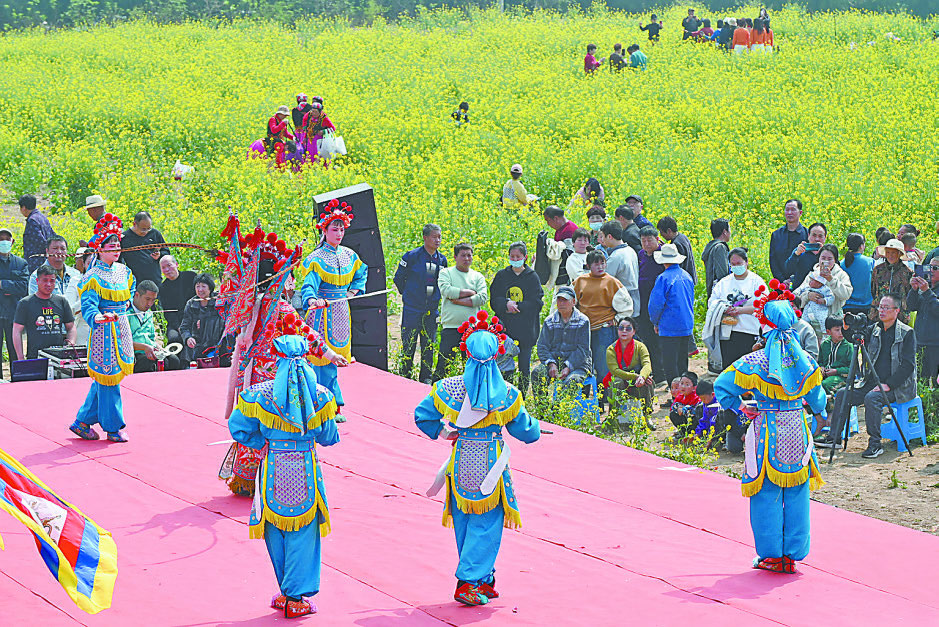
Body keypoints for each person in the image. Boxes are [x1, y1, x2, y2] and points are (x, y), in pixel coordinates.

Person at [415, 313, 540, 606]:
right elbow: (525, 430)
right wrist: (536, 429)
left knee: (465, 521)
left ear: (466, 352)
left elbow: (423, 416)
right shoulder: (507, 394)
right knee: (486, 524)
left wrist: (445, 433)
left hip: (460, 464)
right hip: (490, 466)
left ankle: (482, 578)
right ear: (497, 354)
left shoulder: (450, 388)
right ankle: (470, 581)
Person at [216, 214, 343, 497]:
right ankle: (273, 475)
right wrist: (329, 353)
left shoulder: (247, 305)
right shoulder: (281, 310)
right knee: (277, 423)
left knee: (250, 420)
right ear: (279, 278)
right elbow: (306, 333)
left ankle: (246, 478)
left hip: (249, 375)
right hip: (276, 377)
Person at [714, 283, 826, 574]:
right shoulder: (808, 362)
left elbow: (722, 385)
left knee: (766, 493)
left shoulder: (754, 361)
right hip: (798, 431)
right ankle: (792, 554)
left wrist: (740, 406)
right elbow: (819, 399)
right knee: (797, 492)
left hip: (766, 430)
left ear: (764, 326)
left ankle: (771, 555)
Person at [228, 330, 339, 619]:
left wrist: (262, 441)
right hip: (304, 467)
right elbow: (330, 436)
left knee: (275, 527)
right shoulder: (321, 396)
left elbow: (237, 427)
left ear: (278, 360)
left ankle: (286, 591)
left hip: (273, 466)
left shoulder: (260, 394)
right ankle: (294, 596)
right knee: (304, 530)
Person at [823, 294, 917, 459]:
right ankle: (834, 438)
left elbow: (908, 365)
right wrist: (846, 328)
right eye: (880, 307)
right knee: (843, 394)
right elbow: (853, 339)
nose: (881, 311)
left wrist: (890, 384)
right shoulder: (875, 328)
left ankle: (875, 444)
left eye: (886, 308)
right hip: (871, 382)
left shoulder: (907, 333)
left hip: (898, 386)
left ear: (897, 311)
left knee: (872, 398)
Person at [69, 214, 134, 443]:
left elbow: (130, 293)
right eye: (110, 245)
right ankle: (113, 427)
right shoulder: (92, 276)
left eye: (118, 245)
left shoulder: (124, 272)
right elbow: (88, 304)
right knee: (109, 378)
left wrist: (126, 304)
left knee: (107, 380)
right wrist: (97, 316)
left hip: (122, 327)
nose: (116, 249)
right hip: (104, 332)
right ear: (99, 249)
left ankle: (82, 421)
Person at [301, 199, 368, 419]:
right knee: (320, 357)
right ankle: (322, 403)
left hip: (341, 310)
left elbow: (361, 272)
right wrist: (312, 299)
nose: (338, 234)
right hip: (321, 311)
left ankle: (332, 403)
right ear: (325, 230)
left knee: (336, 356)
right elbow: (309, 283)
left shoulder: (349, 254)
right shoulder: (316, 258)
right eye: (334, 229)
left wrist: (352, 292)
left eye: (341, 229)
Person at [394, 224, 447, 384]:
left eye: (439, 237)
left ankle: (425, 379)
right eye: (434, 237)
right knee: (409, 345)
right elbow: (398, 279)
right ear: (425, 238)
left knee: (428, 347)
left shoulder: (442, 260)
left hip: (431, 312)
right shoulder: (411, 257)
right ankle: (405, 376)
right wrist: (410, 296)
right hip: (412, 310)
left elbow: (443, 283)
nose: (437, 240)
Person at [573, 250, 633, 389]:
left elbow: (627, 306)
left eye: (602, 263)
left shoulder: (612, 282)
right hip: (583, 330)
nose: (600, 266)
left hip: (604, 330)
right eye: (596, 264)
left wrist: (617, 319)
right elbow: (569, 301)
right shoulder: (580, 281)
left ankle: (604, 396)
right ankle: (585, 395)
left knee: (603, 365)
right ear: (588, 265)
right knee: (583, 364)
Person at [489, 242, 543, 393]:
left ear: (525, 257)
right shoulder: (502, 276)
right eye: (512, 256)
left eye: (518, 256)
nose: (515, 259)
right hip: (505, 329)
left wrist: (518, 306)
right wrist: (506, 305)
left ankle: (522, 396)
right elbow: (494, 299)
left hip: (526, 329)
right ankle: (505, 393)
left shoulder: (532, 277)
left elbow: (537, 303)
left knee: (524, 367)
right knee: (505, 366)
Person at [433, 242, 487, 382]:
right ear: (455, 257)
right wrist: (470, 292)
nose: (467, 258)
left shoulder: (477, 276)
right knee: (443, 364)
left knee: (470, 366)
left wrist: (458, 300)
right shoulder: (446, 273)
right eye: (463, 255)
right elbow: (446, 290)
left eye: (469, 255)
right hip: (451, 327)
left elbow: (482, 298)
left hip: (472, 330)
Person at [706, 248, 766, 371]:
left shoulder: (756, 281)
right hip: (728, 332)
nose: (736, 266)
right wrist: (724, 308)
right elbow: (712, 302)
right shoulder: (723, 282)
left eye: (739, 263)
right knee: (729, 369)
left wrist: (740, 311)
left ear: (746, 262)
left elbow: (763, 305)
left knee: (747, 369)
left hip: (749, 331)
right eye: (733, 264)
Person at [648, 243, 694, 387]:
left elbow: (655, 305)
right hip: (686, 324)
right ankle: (685, 392)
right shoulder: (687, 276)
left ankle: (676, 395)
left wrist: (655, 322)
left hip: (669, 325)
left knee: (669, 362)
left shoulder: (663, 278)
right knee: (682, 361)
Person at [532, 286, 592, 394]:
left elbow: (583, 350)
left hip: (578, 364)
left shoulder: (583, 321)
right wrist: (551, 364)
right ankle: (542, 408)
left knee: (572, 381)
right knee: (537, 373)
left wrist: (568, 366)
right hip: (555, 361)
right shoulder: (549, 321)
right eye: (559, 300)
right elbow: (542, 346)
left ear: (573, 302)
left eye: (565, 300)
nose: (561, 303)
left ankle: (559, 409)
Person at [12, 263, 76, 360]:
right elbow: (17, 330)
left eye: (52, 281)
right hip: (35, 356)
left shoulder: (61, 302)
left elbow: (71, 327)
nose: (48, 284)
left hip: (58, 357)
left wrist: (70, 345)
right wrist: (20, 357)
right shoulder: (25, 303)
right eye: (45, 280)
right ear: (37, 281)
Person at [27, 235, 84, 342]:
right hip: (49, 331)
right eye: (55, 249)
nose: (59, 252)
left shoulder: (76, 274)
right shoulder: (37, 276)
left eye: (62, 249)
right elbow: (37, 305)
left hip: (74, 331)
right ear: (47, 251)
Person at [794, 244, 852, 341]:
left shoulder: (841, 275)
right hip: (811, 321)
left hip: (833, 321)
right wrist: (808, 296)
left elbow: (846, 294)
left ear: (835, 260)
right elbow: (797, 294)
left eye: (829, 259)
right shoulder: (813, 274)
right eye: (823, 258)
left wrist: (831, 280)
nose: (826, 262)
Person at [604, 317, 654, 421]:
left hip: (637, 381)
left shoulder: (640, 347)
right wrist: (636, 376)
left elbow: (647, 364)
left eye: (628, 328)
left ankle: (646, 417)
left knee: (647, 382)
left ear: (634, 331)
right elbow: (615, 371)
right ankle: (614, 417)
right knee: (616, 382)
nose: (624, 331)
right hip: (621, 379)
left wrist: (642, 377)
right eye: (621, 328)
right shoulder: (611, 349)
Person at [129, 280, 182, 373]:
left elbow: (151, 339)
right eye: (147, 299)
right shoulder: (126, 313)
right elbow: (122, 343)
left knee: (174, 360)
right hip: (135, 354)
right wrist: (144, 347)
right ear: (137, 295)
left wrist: (161, 349)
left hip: (151, 351)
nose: (150, 304)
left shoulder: (149, 314)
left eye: (153, 300)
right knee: (148, 363)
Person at [636, 227, 665, 382]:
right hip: (643, 303)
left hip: (658, 305)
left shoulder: (663, 255)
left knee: (659, 341)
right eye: (643, 240)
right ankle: (654, 370)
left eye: (649, 240)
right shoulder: (641, 255)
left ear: (657, 239)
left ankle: (662, 373)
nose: (646, 244)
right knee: (647, 338)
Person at [0, 227, 28, 378]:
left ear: (12, 242)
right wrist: (11, 286)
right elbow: (17, 286)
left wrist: (2, 285)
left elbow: (23, 287)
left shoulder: (20, 263)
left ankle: (17, 381)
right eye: (0, 239)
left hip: (13, 312)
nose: (3, 242)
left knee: (14, 349)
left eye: (6, 239)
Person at [179, 273, 225, 365]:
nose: (200, 290)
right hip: (198, 343)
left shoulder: (219, 300)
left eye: (203, 286)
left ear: (210, 288)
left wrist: (205, 322)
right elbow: (184, 327)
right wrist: (188, 338)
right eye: (197, 286)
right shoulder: (191, 304)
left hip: (217, 343)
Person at [908, 259, 939, 383]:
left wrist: (927, 292)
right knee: (920, 379)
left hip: (936, 343)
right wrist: (914, 290)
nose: (931, 271)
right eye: (929, 267)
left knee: (935, 381)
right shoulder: (926, 287)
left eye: (935, 268)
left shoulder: (927, 290)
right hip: (920, 340)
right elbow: (911, 306)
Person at [119, 211, 169, 288]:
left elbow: (166, 252)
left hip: (155, 280)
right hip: (135, 282)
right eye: (143, 229)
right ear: (134, 224)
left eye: (148, 228)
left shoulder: (155, 234)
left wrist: (160, 255)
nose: (146, 232)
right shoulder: (124, 238)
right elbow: (119, 261)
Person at [599, 221, 640, 315]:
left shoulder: (616, 256)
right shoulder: (630, 250)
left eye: (603, 236)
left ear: (609, 236)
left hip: (623, 298)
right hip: (635, 296)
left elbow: (604, 279)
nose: (602, 240)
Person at [870, 238, 912, 324]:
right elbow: (873, 290)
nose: (890, 255)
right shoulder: (878, 270)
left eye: (893, 253)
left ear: (899, 254)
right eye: (888, 252)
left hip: (900, 315)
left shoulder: (907, 272)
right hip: (879, 313)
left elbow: (909, 293)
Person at [158, 255, 196, 346]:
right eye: (163, 268)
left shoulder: (191, 277)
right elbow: (168, 313)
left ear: (176, 264)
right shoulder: (163, 288)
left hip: (196, 316)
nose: (167, 270)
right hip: (178, 322)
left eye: (169, 265)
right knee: (173, 338)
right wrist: (179, 327)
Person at [769, 199, 808, 283]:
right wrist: (782, 281)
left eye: (793, 209)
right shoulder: (776, 235)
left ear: (800, 213)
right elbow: (773, 261)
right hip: (781, 285)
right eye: (787, 210)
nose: (789, 213)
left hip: (802, 284)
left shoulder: (807, 234)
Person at [19, 194, 56, 274]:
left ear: (24, 208)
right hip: (46, 260)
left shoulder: (32, 221)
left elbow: (40, 241)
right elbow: (53, 236)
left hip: (36, 262)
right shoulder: (42, 217)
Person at [785, 222, 828, 289]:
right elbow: (788, 270)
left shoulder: (828, 253)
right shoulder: (800, 251)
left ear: (825, 238)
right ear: (808, 236)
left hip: (821, 293)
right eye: (814, 235)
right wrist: (796, 254)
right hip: (799, 292)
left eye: (820, 236)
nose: (817, 239)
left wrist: (823, 255)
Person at [818, 316, 853, 397]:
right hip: (826, 375)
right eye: (837, 330)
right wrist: (822, 368)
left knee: (825, 384)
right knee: (812, 383)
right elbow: (820, 361)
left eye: (842, 329)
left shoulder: (848, 345)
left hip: (842, 377)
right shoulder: (825, 344)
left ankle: (831, 406)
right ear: (828, 332)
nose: (841, 332)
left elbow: (852, 368)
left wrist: (836, 371)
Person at [840, 233, 875, 316]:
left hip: (846, 306)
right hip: (866, 306)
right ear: (861, 246)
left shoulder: (841, 263)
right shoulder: (870, 262)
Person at [656, 216, 697, 284]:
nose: (661, 235)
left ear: (669, 230)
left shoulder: (677, 244)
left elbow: (676, 264)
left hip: (682, 281)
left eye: (662, 232)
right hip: (688, 278)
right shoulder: (682, 237)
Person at [702, 218, 731, 298]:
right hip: (720, 294)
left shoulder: (711, 246)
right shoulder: (720, 248)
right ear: (725, 232)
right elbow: (722, 274)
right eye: (729, 229)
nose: (730, 232)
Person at [668, 371, 700, 438]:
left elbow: (696, 410)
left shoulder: (696, 397)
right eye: (681, 383)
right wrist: (678, 407)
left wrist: (684, 409)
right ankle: (683, 433)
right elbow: (672, 407)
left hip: (695, 422)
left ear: (694, 387)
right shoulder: (680, 396)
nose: (683, 386)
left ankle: (695, 434)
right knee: (673, 414)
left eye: (687, 384)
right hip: (686, 419)